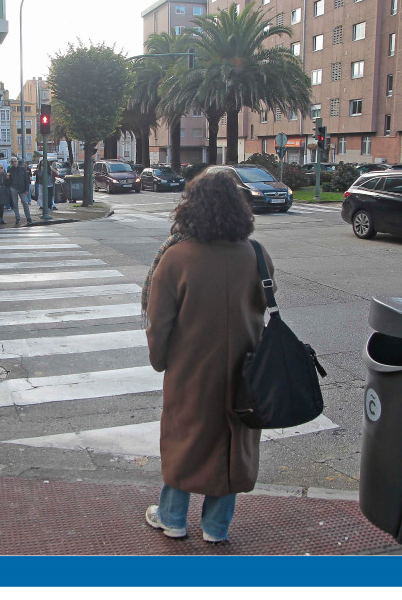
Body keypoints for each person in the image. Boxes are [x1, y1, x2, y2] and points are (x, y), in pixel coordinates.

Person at [142, 171, 275, 544]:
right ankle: (216, 527)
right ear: (239, 208)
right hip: (245, 367)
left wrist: (161, 360)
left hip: (192, 368)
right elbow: (266, 302)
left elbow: (159, 321)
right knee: (232, 442)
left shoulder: (177, 257)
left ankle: (172, 517)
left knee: (185, 437)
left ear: (191, 208)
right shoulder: (257, 254)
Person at [7, 156, 33, 225]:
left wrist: (27, 189)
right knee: (15, 204)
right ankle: (17, 218)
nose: (14, 163)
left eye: (15, 161)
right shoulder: (10, 170)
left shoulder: (22, 169)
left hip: (22, 188)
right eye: (12, 161)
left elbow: (26, 179)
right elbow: (7, 180)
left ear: (17, 162)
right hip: (13, 187)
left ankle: (28, 218)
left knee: (25, 202)